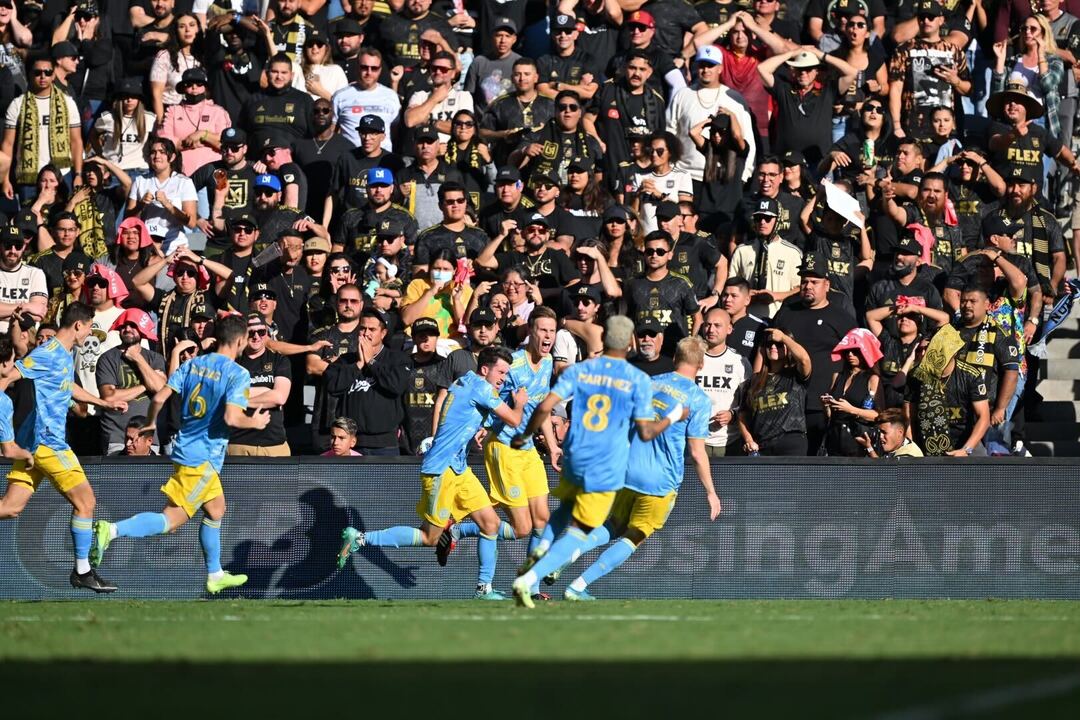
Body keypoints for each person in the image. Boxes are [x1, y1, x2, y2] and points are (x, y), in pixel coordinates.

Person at [509, 315, 682, 609]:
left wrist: (525, 434)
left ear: (604, 341)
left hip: (575, 455)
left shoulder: (582, 370)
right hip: (605, 464)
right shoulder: (637, 379)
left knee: (563, 510)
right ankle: (529, 578)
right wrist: (673, 416)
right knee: (581, 532)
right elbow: (646, 431)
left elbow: (546, 406)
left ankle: (539, 551)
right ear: (630, 343)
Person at [89, 314, 268, 594]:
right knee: (171, 521)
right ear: (241, 340)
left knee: (216, 508)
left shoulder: (194, 364)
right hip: (203, 458)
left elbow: (160, 396)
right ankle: (111, 531)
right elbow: (233, 418)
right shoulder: (237, 373)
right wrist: (254, 422)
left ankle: (215, 574)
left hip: (185, 448)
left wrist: (150, 422)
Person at [336, 345, 527, 601]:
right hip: (441, 470)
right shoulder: (481, 387)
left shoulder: (466, 382)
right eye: (501, 372)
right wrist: (520, 403)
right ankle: (360, 538)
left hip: (458, 469)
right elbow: (514, 420)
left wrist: (479, 427)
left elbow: (471, 415)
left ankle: (484, 589)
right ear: (484, 369)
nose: (504, 378)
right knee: (429, 537)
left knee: (490, 524)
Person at [559, 336, 722, 600]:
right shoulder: (698, 400)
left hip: (626, 472)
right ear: (701, 364)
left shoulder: (650, 383)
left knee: (613, 524)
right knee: (636, 535)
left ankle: (562, 557)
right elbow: (696, 452)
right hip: (659, 481)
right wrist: (711, 492)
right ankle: (578, 586)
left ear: (676, 358)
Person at [0, 302, 126, 593]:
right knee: (86, 503)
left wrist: (103, 402)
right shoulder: (47, 353)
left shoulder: (66, 355)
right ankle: (82, 570)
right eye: (88, 328)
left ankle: (83, 571)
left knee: (10, 508)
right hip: (48, 443)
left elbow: (68, 387)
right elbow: (9, 375)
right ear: (78, 325)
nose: (88, 335)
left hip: (35, 446)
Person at [438, 307, 560, 600]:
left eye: (552, 331)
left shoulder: (548, 363)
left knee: (542, 519)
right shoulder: (512, 364)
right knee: (522, 528)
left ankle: (530, 585)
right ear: (530, 330)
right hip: (504, 447)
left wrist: (554, 447)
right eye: (542, 330)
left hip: (529, 449)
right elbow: (487, 397)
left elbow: (541, 408)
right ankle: (460, 531)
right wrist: (480, 426)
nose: (547, 336)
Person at [772, 251, 857, 451]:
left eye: (814, 281)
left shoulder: (841, 318)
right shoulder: (786, 312)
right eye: (804, 281)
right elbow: (765, 351)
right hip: (787, 402)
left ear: (826, 285)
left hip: (822, 403)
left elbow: (857, 359)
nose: (808, 286)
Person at [322, 308, 410, 455]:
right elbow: (332, 385)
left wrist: (371, 361)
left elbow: (397, 386)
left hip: (385, 444)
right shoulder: (345, 361)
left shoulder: (398, 359)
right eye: (362, 328)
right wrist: (358, 365)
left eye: (372, 329)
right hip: (351, 443)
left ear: (383, 333)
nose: (366, 333)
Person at [1, 55, 83, 203]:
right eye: (37, 72)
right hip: (29, 178)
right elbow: (8, 144)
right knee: (29, 223)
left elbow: (76, 141)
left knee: (63, 220)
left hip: (62, 175)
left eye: (48, 72)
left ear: (53, 75)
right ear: (30, 75)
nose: (43, 76)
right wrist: (5, 179)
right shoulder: (17, 104)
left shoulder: (67, 102)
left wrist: (78, 174)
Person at [905, 324, 991, 456]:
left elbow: (984, 418)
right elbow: (909, 418)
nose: (924, 354)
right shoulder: (916, 376)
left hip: (964, 443)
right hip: (926, 446)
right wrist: (913, 450)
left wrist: (966, 450)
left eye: (929, 349)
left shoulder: (971, 375)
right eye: (922, 350)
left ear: (952, 351)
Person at [97, 308, 168, 455]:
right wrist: (145, 385)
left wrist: (137, 357)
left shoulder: (155, 358)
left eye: (133, 325)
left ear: (142, 329)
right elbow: (109, 397)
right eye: (123, 326)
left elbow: (161, 390)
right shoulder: (107, 358)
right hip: (117, 437)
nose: (127, 329)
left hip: (150, 438)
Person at [738, 326, 813, 456]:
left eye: (778, 344)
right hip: (762, 445)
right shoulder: (754, 380)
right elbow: (743, 414)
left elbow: (805, 360)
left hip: (791, 442)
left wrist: (784, 338)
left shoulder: (795, 375)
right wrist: (749, 440)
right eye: (769, 344)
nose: (773, 347)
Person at [226, 313, 292, 456]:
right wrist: (265, 391)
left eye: (261, 332)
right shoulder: (232, 361)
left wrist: (238, 400)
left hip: (273, 444)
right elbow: (223, 393)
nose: (256, 336)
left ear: (267, 333)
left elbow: (279, 397)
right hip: (238, 442)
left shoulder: (279, 360)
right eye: (251, 332)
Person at [697, 306, 753, 457]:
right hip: (696, 440)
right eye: (708, 324)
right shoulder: (692, 358)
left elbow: (748, 402)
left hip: (729, 440)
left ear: (729, 329)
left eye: (717, 325)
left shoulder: (739, 362)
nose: (711, 329)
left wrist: (732, 414)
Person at [822, 328, 883, 456]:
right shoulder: (837, 376)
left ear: (865, 352)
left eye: (855, 351)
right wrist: (826, 405)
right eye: (847, 351)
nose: (850, 354)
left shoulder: (872, 379)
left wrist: (851, 409)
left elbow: (877, 415)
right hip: (834, 439)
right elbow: (829, 416)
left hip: (857, 442)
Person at [330, 47, 400, 149]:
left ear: (380, 70)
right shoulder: (340, 96)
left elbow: (395, 132)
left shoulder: (391, 95)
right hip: (351, 159)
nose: (369, 72)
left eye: (374, 68)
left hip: (382, 161)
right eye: (364, 67)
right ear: (357, 67)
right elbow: (332, 131)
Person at [856, 408, 925, 458]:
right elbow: (882, 467)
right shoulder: (897, 446)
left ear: (900, 432)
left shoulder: (908, 457)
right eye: (880, 432)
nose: (880, 436)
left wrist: (870, 449)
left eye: (884, 432)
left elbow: (885, 475)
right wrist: (869, 447)